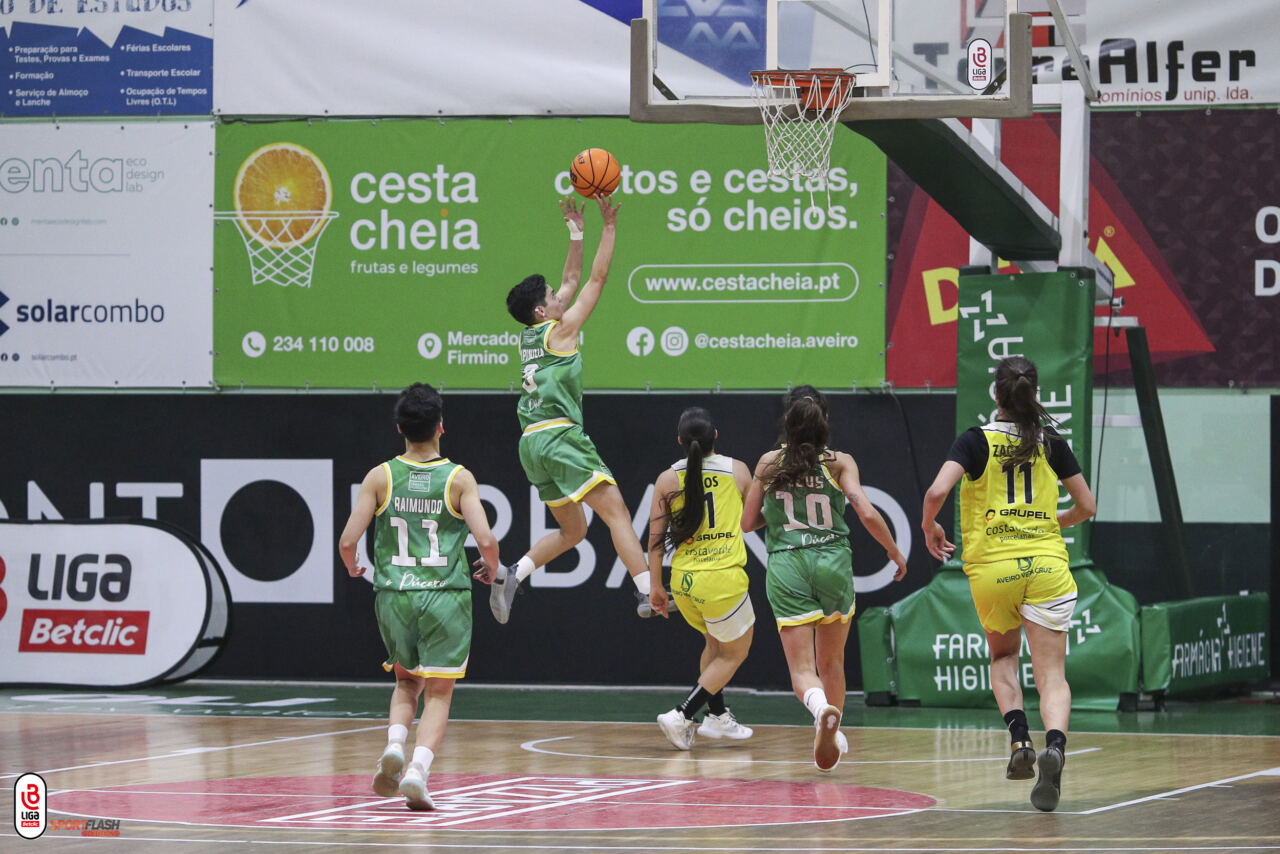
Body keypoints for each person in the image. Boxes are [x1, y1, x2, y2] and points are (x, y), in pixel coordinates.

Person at [920, 355, 1096, 813]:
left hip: (994, 569)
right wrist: (1056, 519)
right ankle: (1054, 747)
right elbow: (1087, 506)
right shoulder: (1050, 441)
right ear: (1033, 394)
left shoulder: (975, 440)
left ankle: (1020, 739)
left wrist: (929, 528)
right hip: (1046, 565)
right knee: (1052, 675)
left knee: (1003, 657)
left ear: (996, 395)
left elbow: (937, 492)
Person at [490, 193, 655, 622]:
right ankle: (646, 592)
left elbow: (572, 274)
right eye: (553, 294)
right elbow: (595, 281)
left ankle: (514, 572)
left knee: (575, 530)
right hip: (559, 434)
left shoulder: (531, 333)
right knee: (616, 509)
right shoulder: (561, 331)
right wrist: (611, 226)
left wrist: (577, 229)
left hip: (530, 444)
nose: (562, 292)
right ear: (544, 309)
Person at [338, 382, 501, 811]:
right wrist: (492, 566)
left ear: (400, 429)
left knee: (406, 682)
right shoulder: (458, 478)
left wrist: (352, 564)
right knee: (440, 694)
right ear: (440, 427)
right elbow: (485, 538)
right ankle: (416, 771)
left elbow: (347, 540)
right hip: (445, 595)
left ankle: (394, 743)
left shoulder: (380, 476)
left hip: (394, 594)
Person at [741, 385, 907, 772]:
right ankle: (833, 725)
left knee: (802, 669)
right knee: (831, 662)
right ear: (824, 421)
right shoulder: (839, 462)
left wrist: (781, 518)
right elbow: (865, 511)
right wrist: (893, 550)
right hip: (833, 560)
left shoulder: (768, 463)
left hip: (788, 564)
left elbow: (748, 522)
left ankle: (820, 712)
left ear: (787, 421)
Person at [647, 407, 756, 750]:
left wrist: (655, 587)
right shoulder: (737, 470)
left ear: (680, 441)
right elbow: (755, 518)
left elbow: (654, 541)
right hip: (722, 580)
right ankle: (682, 714)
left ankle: (718, 716)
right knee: (733, 653)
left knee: (714, 646)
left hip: (684, 583)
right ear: (716, 437)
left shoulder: (667, 479)